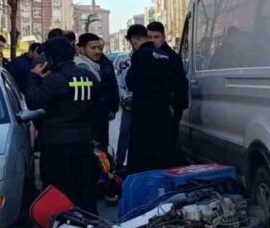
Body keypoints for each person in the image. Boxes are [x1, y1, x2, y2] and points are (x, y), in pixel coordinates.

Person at [25, 37, 101, 213]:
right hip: (84, 142)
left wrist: (34, 76)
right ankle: (90, 222)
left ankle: (64, 222)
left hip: (57, 144)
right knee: (85, 187)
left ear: (51, 58)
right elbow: (99, 108)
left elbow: (33, 101)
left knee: (60, 191)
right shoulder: (89, 76)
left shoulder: (55, 79)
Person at [125, 24, 187, 173]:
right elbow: (179, 83)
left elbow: (131, 82)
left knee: (141, 156)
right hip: (164, 112)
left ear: (134, 40)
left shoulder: (140, 55)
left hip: (143, 114)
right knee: (162, 154)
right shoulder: (166, 56)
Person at [147, 21, 189, 164]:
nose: (153, 41)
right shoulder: (149, 55)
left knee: (169, 144)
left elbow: (180, 83)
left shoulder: (170, 57)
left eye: (156, 37)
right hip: (157, 107)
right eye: (149, 37)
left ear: (163, 37)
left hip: (170, 107)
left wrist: (176, 106)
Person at [74, 32, 119, 146]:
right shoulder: (82, 66)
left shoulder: (93, 64)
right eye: (93, 48)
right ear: (82, 49)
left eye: (99, 48)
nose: (98, 51)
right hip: (90, 123)